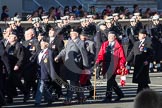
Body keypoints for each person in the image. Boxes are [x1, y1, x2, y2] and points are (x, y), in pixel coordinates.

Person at [55, 27, 89, 104]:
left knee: (72, 83)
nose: (71, 35)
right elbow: (64, 50)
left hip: (76, 66)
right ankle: (82, 97)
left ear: (77, 34)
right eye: (70, 34)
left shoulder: (81, 43)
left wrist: (86, 67)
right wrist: (58, 56)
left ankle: (68, 98)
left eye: (73, 34)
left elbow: (84, 56)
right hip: (68, 65)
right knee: (76, 82)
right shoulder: (69, 41)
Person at [96, 31, 126, 103]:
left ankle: (108, 97)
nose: (109, 38)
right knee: (112, 81)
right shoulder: (105, 44)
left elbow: (122, 57)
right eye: (109, 36)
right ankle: (120, 94)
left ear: (115, 37)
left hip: (114, 65)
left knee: (109, 81)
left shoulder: (118, 46)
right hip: (106, 64)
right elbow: (101, 54)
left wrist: (122, 64)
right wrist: (98, 61)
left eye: (111, 36)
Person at [127, 29, 153, 93]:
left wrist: (148, 60)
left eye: (141, 34)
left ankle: (139, 94)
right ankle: (148, 93)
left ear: (144, 35)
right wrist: (127, 60)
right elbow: (132, 53)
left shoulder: (148, 43)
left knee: (142, 80)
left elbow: (151, 54)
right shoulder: (136, 43)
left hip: (144, 64)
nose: (139, 36)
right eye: (139, 34)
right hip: (137, 63)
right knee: (141, 81)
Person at [34, 37, 56, 107]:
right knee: (44, 87)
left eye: (42, 42)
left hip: (45, 73)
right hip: (39, 72)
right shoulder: (40, 52)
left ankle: (37, 101)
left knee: (40, 87)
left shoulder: (49, 52)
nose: (40, 44)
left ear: (46, 44)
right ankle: (50, 98)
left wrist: (52, 75)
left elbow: (51, 64)